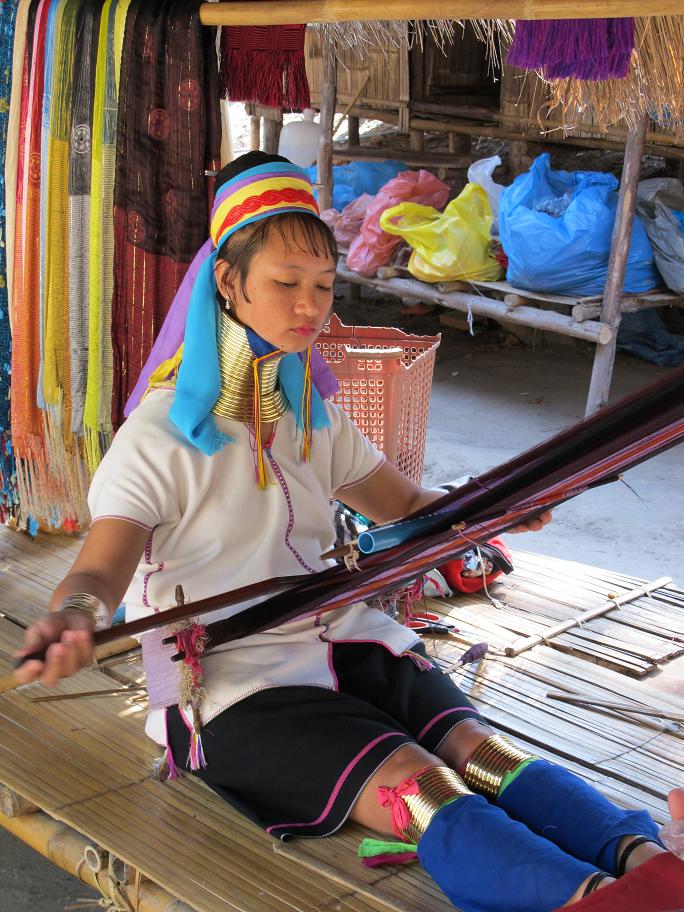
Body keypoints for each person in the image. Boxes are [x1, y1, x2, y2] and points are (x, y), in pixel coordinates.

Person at [16, 153, 683, 912]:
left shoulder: (310, 414)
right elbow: (101, 570)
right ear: (229, 285)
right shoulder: (160, 437)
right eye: (285, 283)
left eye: (324, 285)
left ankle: (647, 859)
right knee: (423, 787)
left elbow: (406, 504)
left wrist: (493, 506)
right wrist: (76, 616)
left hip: (344, 638)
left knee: (485, 757)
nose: (310, 306)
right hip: (234, 688)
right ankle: (602, 902)